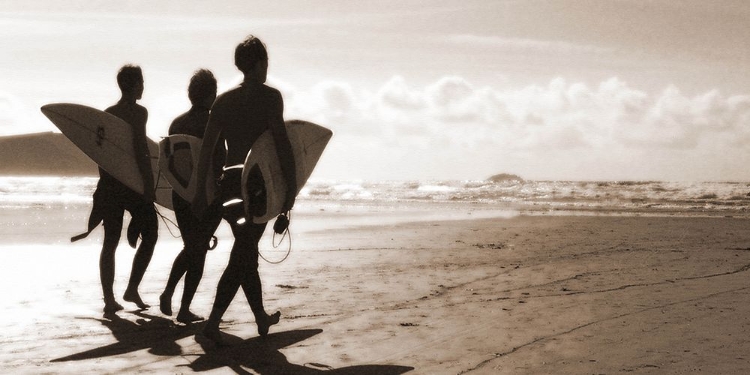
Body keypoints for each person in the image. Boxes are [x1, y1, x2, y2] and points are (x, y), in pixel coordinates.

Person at [192, 35, 297, 344]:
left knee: (246, 251)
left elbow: (207, 150)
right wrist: (290, 189)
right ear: (261, 64)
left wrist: (199, 193)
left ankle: (261, 317)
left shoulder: (222, 101)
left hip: (229, 187)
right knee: (243, 253)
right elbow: (281, 146)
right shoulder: (270, 98)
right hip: (257, 188)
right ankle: (212, 322)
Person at [159, 69, 224, 324]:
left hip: (181, 194)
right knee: (199, 251)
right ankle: (183, 308)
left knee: (190, 247)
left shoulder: (176, 123)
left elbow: (170, 162)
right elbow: (219, 159)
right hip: (206, 196)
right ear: (212, 95)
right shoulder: (213, 122)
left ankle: (168, 292)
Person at [96, 65, 158, 314]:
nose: (143, 87)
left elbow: (100, 155)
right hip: (132, 185)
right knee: (151, 234)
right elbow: (141, 150)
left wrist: (107, 182)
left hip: (111, 184)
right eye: (141, 82)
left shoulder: (107, 114)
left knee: (110, 242)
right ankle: (131, 288)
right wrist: (148, 185)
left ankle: (109, 300)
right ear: (132, 85)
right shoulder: (139, 113)